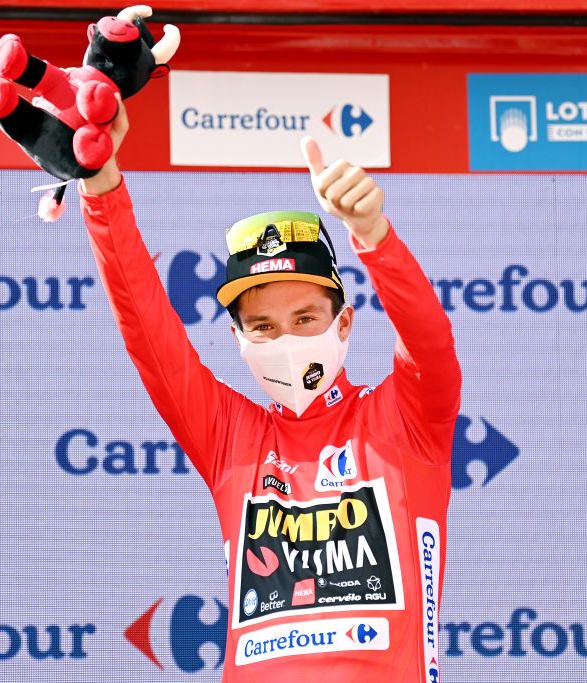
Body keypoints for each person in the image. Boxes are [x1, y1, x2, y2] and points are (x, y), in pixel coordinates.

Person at [80, 92, 461, 681]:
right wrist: (101, 187)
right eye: (263, 326)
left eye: (305, 318)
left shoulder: (402, 419)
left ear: (345, 322)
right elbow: (148, 333)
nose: (286, 339)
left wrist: (372, 234)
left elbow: (430, 341)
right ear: (239, 339)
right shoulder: (232, 436)